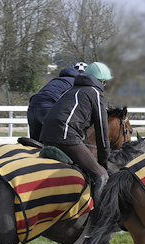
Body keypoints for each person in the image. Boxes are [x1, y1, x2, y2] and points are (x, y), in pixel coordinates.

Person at [39, 62, 113, 204]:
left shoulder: (70, 90)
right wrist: (103, 162)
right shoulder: (96, 93)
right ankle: (99, 217)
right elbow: (102, 133)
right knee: (100, 175)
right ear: (102, 82)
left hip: (46, 135)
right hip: (66, 136)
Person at [27, 66, 80, 141]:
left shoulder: (55, 80)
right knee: (59, 140)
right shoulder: (75, 82)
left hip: (32, 106)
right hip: (48, 105)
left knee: (35, 143)